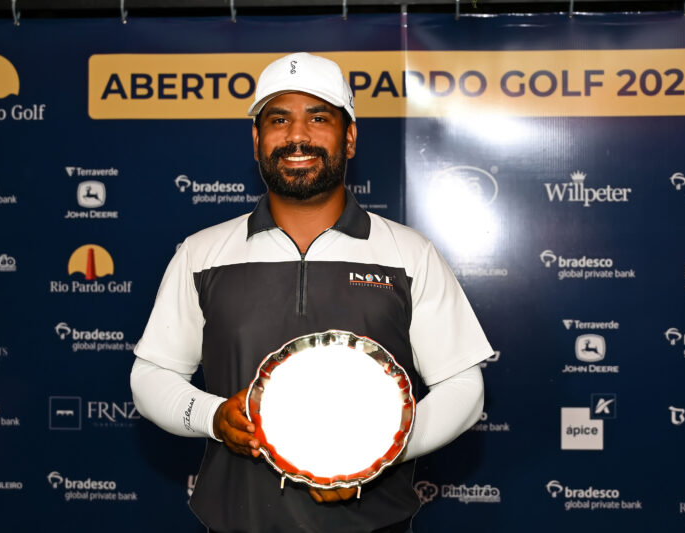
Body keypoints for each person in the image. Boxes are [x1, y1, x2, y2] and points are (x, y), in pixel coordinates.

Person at [130, 52, 493, 533]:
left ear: (350, 137)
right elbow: (151, 376)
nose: (297, 136)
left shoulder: (409, 253)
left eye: (318, 118)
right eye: (278, 119)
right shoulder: (203, 253)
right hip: (236, 522)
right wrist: (213, 416)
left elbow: (464, 388)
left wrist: (378, 454)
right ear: (257, 140)